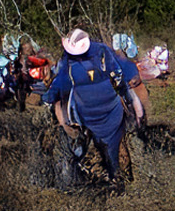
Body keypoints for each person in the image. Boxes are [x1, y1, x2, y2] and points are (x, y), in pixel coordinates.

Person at [42, 29, 144, 183]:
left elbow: (60, 81)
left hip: (88, 108)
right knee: (118, 135)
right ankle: (123, 176)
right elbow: (117, 72)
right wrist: (123, 90)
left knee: (68, 114)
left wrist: (49, 97)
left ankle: (81, 144)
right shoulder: (100, 51)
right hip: (106, 105)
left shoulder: (70, 59)